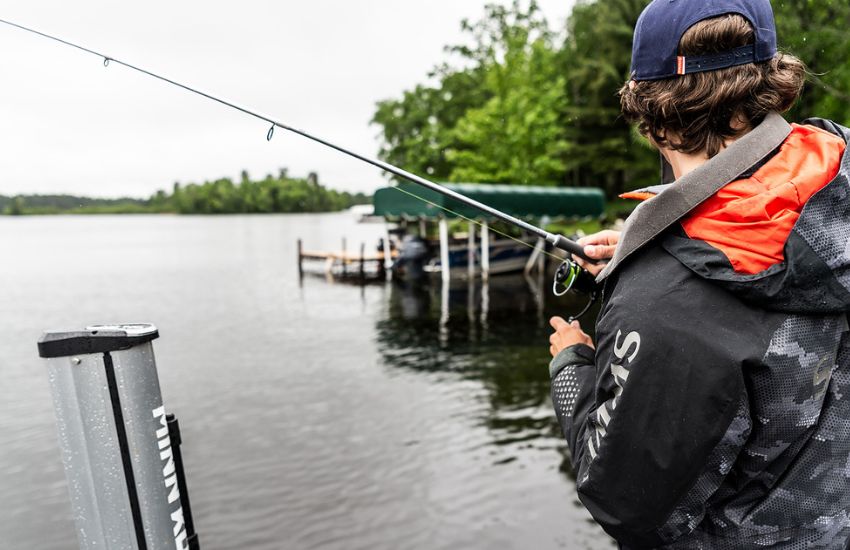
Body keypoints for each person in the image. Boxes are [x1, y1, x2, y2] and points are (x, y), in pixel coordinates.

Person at [547, 0, 850, 547]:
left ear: (649, 113)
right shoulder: (840, 171)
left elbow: (620, 500)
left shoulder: (659, 305)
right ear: (769, 84)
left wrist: (572, 364)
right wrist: (653, 246)